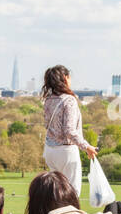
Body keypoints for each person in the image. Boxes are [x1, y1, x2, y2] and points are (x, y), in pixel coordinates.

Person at [41, 65, 96, 195]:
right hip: (66, 152)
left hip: (50, 151)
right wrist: (87, 147)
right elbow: (69, 130)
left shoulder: (48, 100)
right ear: (65, 78)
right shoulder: (69, 100)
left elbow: (47, 124)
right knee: (72, 193)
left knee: (56, 193)